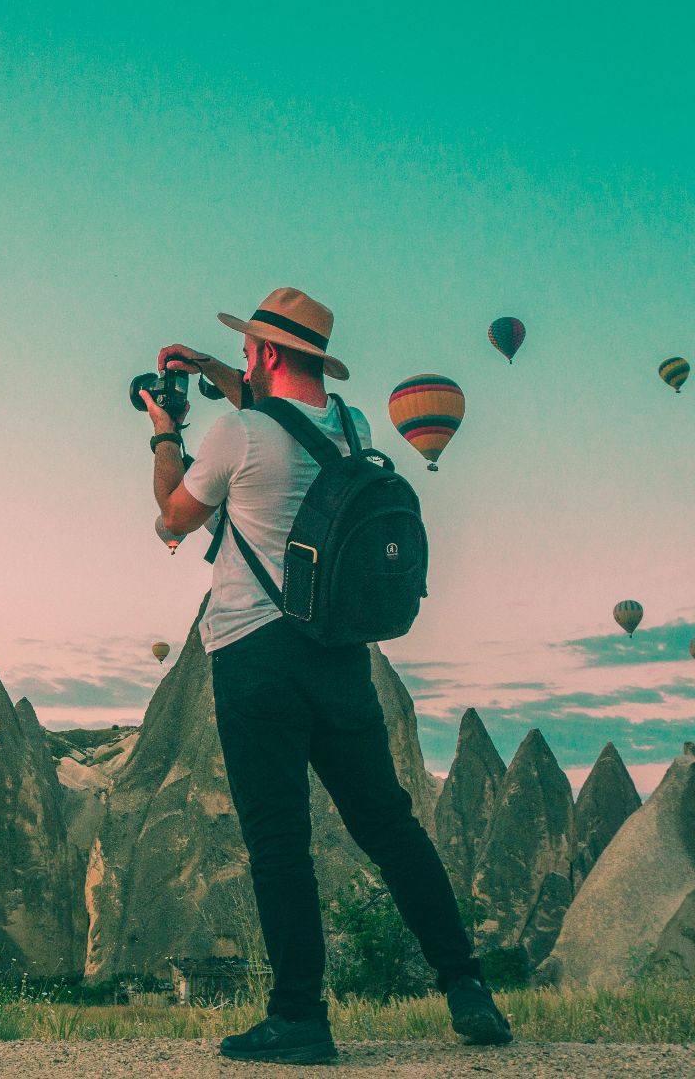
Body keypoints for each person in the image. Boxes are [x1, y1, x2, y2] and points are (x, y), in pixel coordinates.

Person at [142, 288, 512, 1064]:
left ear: (268, 355)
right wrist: (210, 365)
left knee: (279, 840)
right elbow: (283, 413)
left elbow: (174, 518)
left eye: (248, 350)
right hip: (343, 657)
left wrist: (164, 434)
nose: (242, 360)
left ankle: (301, 1017)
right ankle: (466, 986)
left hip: (254, 656)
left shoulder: (233, 435)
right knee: (390, 825)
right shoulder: (353, 429)